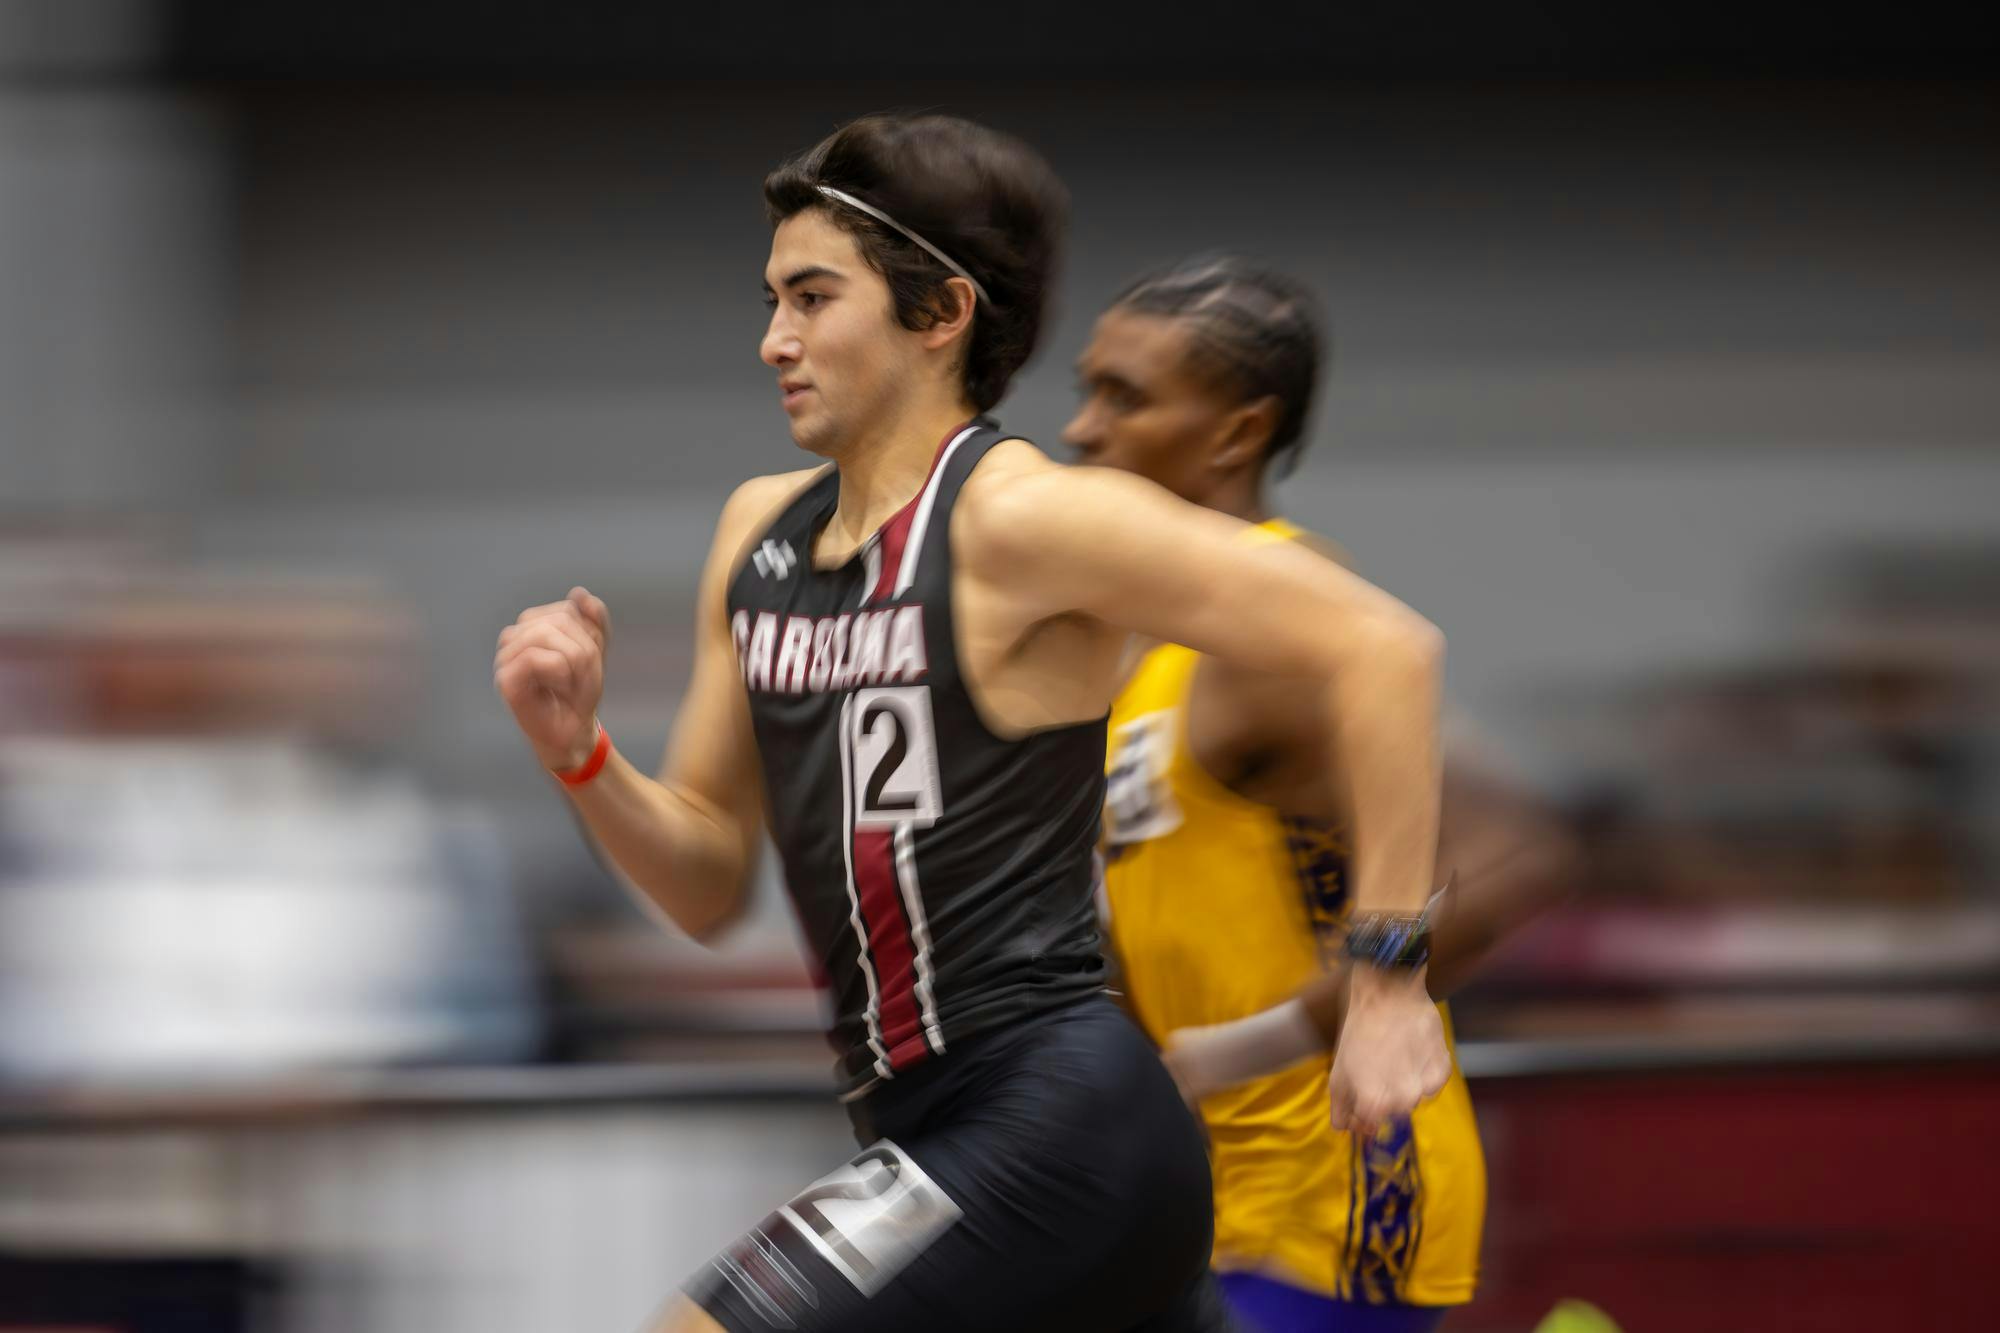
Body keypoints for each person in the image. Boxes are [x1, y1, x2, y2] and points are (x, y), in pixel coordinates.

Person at [494, 118, 1451, 1333]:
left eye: (811, 298)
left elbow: (1382, 647)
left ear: (939, 312)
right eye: (771, 298)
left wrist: (1385, 984)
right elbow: (699, 878)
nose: (771, 339)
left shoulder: (1026, 521)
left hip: (1053, 1117)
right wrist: (576, 752)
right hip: (936, 1130)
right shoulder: (758, 535)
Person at [1068, 255, 1578, 1333]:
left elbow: (1516, 850)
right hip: (1212, 1194)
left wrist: (1271, 1036)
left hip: (1340, 1192)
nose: (1080, 430)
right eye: (1086, 389)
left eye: (1124, 397)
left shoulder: (1286, 628)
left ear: (1234, 434)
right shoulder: (1148, 643)